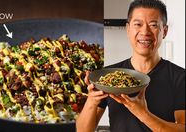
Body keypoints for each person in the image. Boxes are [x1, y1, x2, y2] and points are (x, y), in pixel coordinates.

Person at [76, 0, 185, 131]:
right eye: (138, 24)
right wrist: (92, 100)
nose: (145, 31)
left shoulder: (180, 77)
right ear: (128, 29)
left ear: (165, 31)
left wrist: (142, 113)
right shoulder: (107, 78)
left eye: (153, 25)